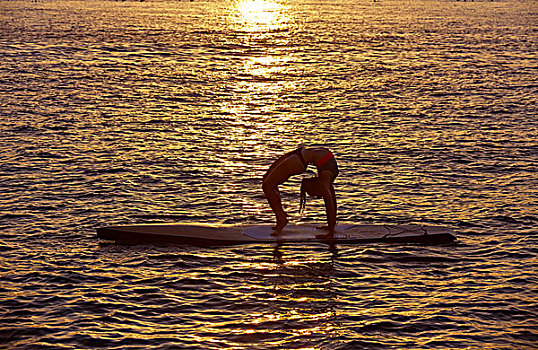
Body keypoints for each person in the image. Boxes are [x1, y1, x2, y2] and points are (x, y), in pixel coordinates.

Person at [262, 146, 339, 238]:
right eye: (316, 195)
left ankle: (281, 217)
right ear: (315, 188)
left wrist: (331, 227)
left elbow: (332, 201)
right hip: (297, 159)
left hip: (298, 154)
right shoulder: (324, 181)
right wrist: (330, 232)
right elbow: (330, 203)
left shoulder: (328, 176)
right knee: (267, 185)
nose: (319, 196)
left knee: (268, 184)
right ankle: (281, 217)